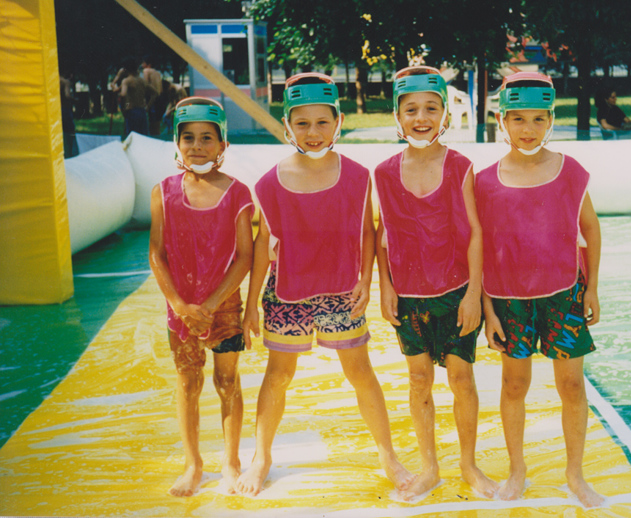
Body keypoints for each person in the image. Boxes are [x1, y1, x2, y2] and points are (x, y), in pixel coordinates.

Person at [236, 73, 413, 497]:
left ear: (339, 122)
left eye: (321, 122)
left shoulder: (357, 175)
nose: (312, 133)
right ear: (286, 126)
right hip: (287, 289)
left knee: (361, 372)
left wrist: (366, 281)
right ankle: (261, 457)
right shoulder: (269, 183)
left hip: (340, 289)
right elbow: (263, 245)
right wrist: (249, 306)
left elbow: (367, 231)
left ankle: (387, 454)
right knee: (277, 375)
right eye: (302, 123)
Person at [475, 72, 604, 509]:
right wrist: (488, 309)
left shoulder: (570, 172)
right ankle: (517, 469)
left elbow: (589, 228)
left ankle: (575, 473)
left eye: (537, 119)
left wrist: (593, 289)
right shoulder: (485, 181)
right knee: (514, 384)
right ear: (501, 120)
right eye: (517, 119)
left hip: (565, 293)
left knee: (571, 385)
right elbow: (482, 249)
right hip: (509, 298)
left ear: (551, 120)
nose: (527, 129)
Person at [374, 66, 498, 501]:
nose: (421, 117)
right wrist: (385, 286)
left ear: (445, 115)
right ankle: (430, 467)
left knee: (462, 379)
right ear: (397, 116)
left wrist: (473, 294)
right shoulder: (384, 172)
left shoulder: (459, 166)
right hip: (408, 295)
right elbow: (381, 233)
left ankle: (468, 465)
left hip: (454, 292)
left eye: (431, 108)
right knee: (418, 379)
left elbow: (476, 233)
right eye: (411, 109)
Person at [148, 97, 255, 497]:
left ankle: (231, 461)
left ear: (223, 145)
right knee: (187, 381)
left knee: (227, 381)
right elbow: (156, 252)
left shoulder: (238, 193)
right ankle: (193, 463)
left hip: (223, 306)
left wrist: (211, 304)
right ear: (176, 143)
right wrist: (178, 304)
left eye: (207, 138)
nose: (197, 146)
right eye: (188, 137)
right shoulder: (163, 192)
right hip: (181, 307)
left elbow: (245, 256)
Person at [112, 57, 157, 138]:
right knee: (143, 137)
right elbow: (154, 93)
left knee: (131, 137)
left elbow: (123, 94)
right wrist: (148, 106)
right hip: (142, 111)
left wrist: (123, 108)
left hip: (131, 112)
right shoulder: (142, 80)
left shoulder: (126, 81)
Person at [142, 55, 165, 135]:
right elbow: (161, 88)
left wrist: (145, 100)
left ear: (148, 64)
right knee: (157, 123)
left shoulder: (146, 71)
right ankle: (157, 137)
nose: (142, 65)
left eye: (143, 63)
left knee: (151, 122)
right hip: (160, 98)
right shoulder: (157, 73)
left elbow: (145, 85)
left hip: (152, 98)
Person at [59, 68, 79, 157]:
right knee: (70, 132)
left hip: (57, 110)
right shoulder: (66, 82)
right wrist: (75, 100)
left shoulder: (54, 81)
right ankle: (71, 153)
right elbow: (67, 95)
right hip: (65, 109)